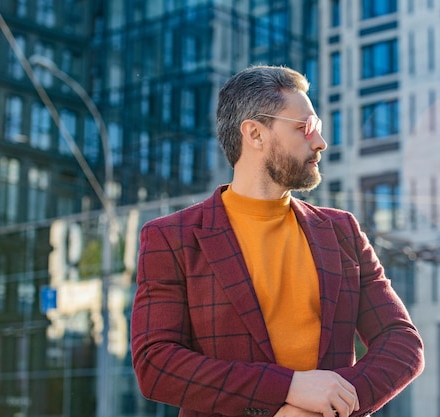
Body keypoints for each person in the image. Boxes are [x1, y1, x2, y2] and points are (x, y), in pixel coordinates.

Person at [131, 65, 424, 417]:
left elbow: (402, 342)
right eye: (305, 127)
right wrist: (287, 388)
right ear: (255, 134)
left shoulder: (341, 231)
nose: (320, 142)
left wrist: (329, 406)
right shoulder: (172, 237)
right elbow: (156, 364)